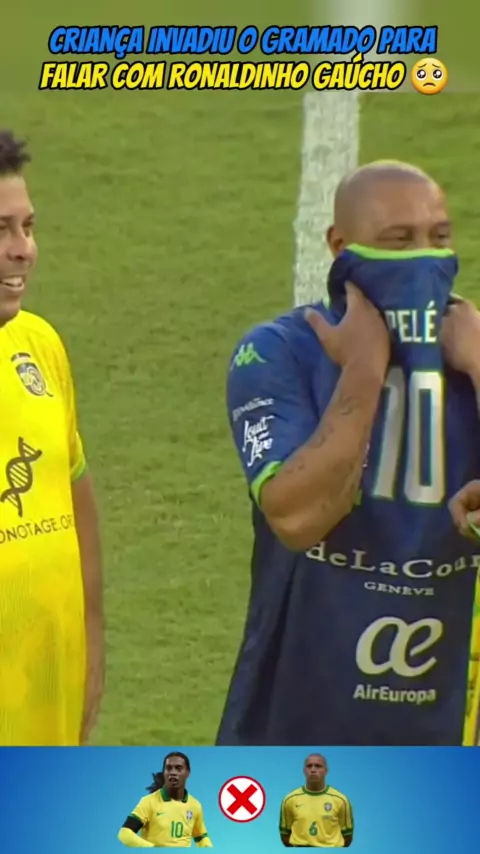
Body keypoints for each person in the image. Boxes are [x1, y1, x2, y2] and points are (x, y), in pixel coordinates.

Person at [216, 159, 480, 747]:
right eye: (399, 241)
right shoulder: (279, 352)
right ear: (341, 247)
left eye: (439, 238)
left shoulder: (472, 354)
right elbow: (297, 517)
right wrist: (363, 368)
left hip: (448, 735)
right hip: (297, 722)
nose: (425, 259)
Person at [0, 129, 104, 745]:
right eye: (1, 230)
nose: (23, 251)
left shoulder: (39, 345)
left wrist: (90, 639)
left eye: (27, 227)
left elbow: (72, 491)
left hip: (48, 680)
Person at [118, 752, 213, 848]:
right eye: (168, 768)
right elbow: (125, 833)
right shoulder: (148, 802)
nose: (173, 772)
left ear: (187, 773)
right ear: (164, 773)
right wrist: (152, 849)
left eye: (178, 768)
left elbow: (201, 837)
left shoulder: (195, 805)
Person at [280, 754, 353, 848]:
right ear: (304, 770)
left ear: (326, 771)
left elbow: (347, 836)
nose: (313, 770)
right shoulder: (290, 800)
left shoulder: (340, 800)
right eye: (309, 766)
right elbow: (285, 834)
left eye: (318, 766)